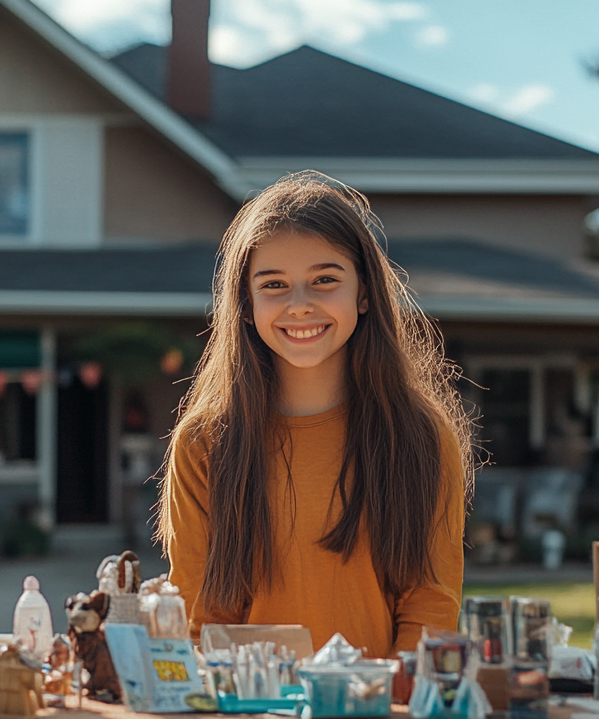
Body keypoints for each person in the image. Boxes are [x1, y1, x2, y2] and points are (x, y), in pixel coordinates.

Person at [158, 172, 473, 659]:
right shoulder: (204, 442)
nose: (299, 305)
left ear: (363, 293)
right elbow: (201, 619)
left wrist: (392, 705)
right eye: (274, 285)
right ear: (245, 304)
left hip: (378, 717)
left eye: (324, 280)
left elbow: (431, 604)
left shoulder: (420, 436)